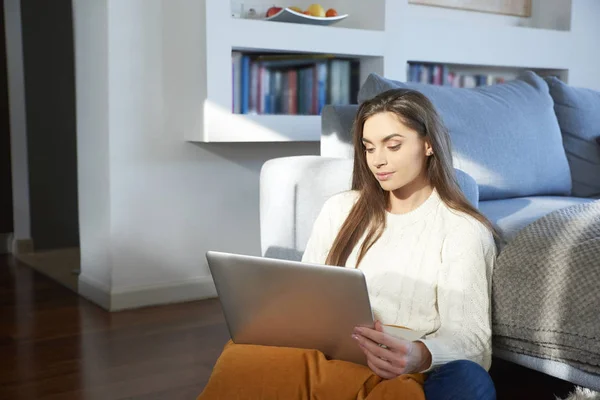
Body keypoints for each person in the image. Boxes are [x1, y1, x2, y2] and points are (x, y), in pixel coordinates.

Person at [198, 89, 498, 400]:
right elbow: (304, 294)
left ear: (428, 144)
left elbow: (471, 339)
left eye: (393, 146)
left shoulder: (463, 229)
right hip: (328, 355)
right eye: (369, 149)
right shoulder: (340, 210)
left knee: (468, 381)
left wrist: (419, 354)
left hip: (398, 368)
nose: (378, 161)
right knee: (242, 355)